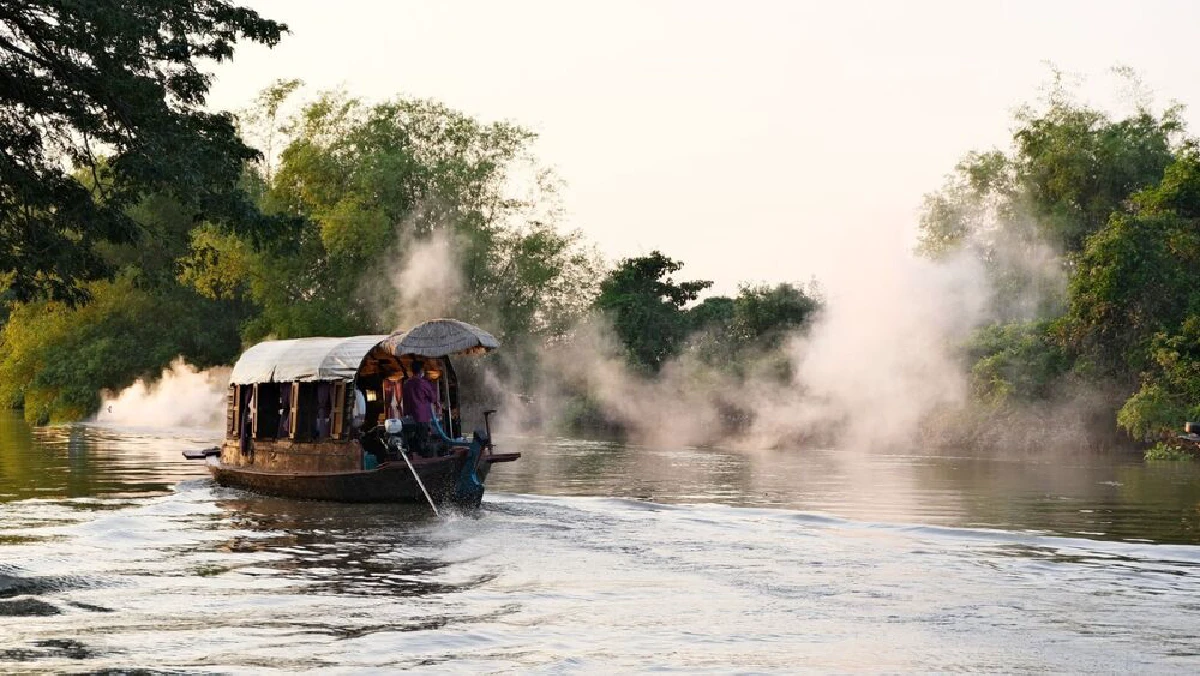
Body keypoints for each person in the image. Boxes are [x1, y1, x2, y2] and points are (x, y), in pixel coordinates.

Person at [401, 358, 441, 457]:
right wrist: (437, 404)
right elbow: (432, 398)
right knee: (422, 442)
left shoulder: (406, 384)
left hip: (408, 418)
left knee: (410, 440)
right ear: (421, 371)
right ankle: (423, 458)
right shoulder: (422, 383)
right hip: (421, 417)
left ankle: (412, 455)